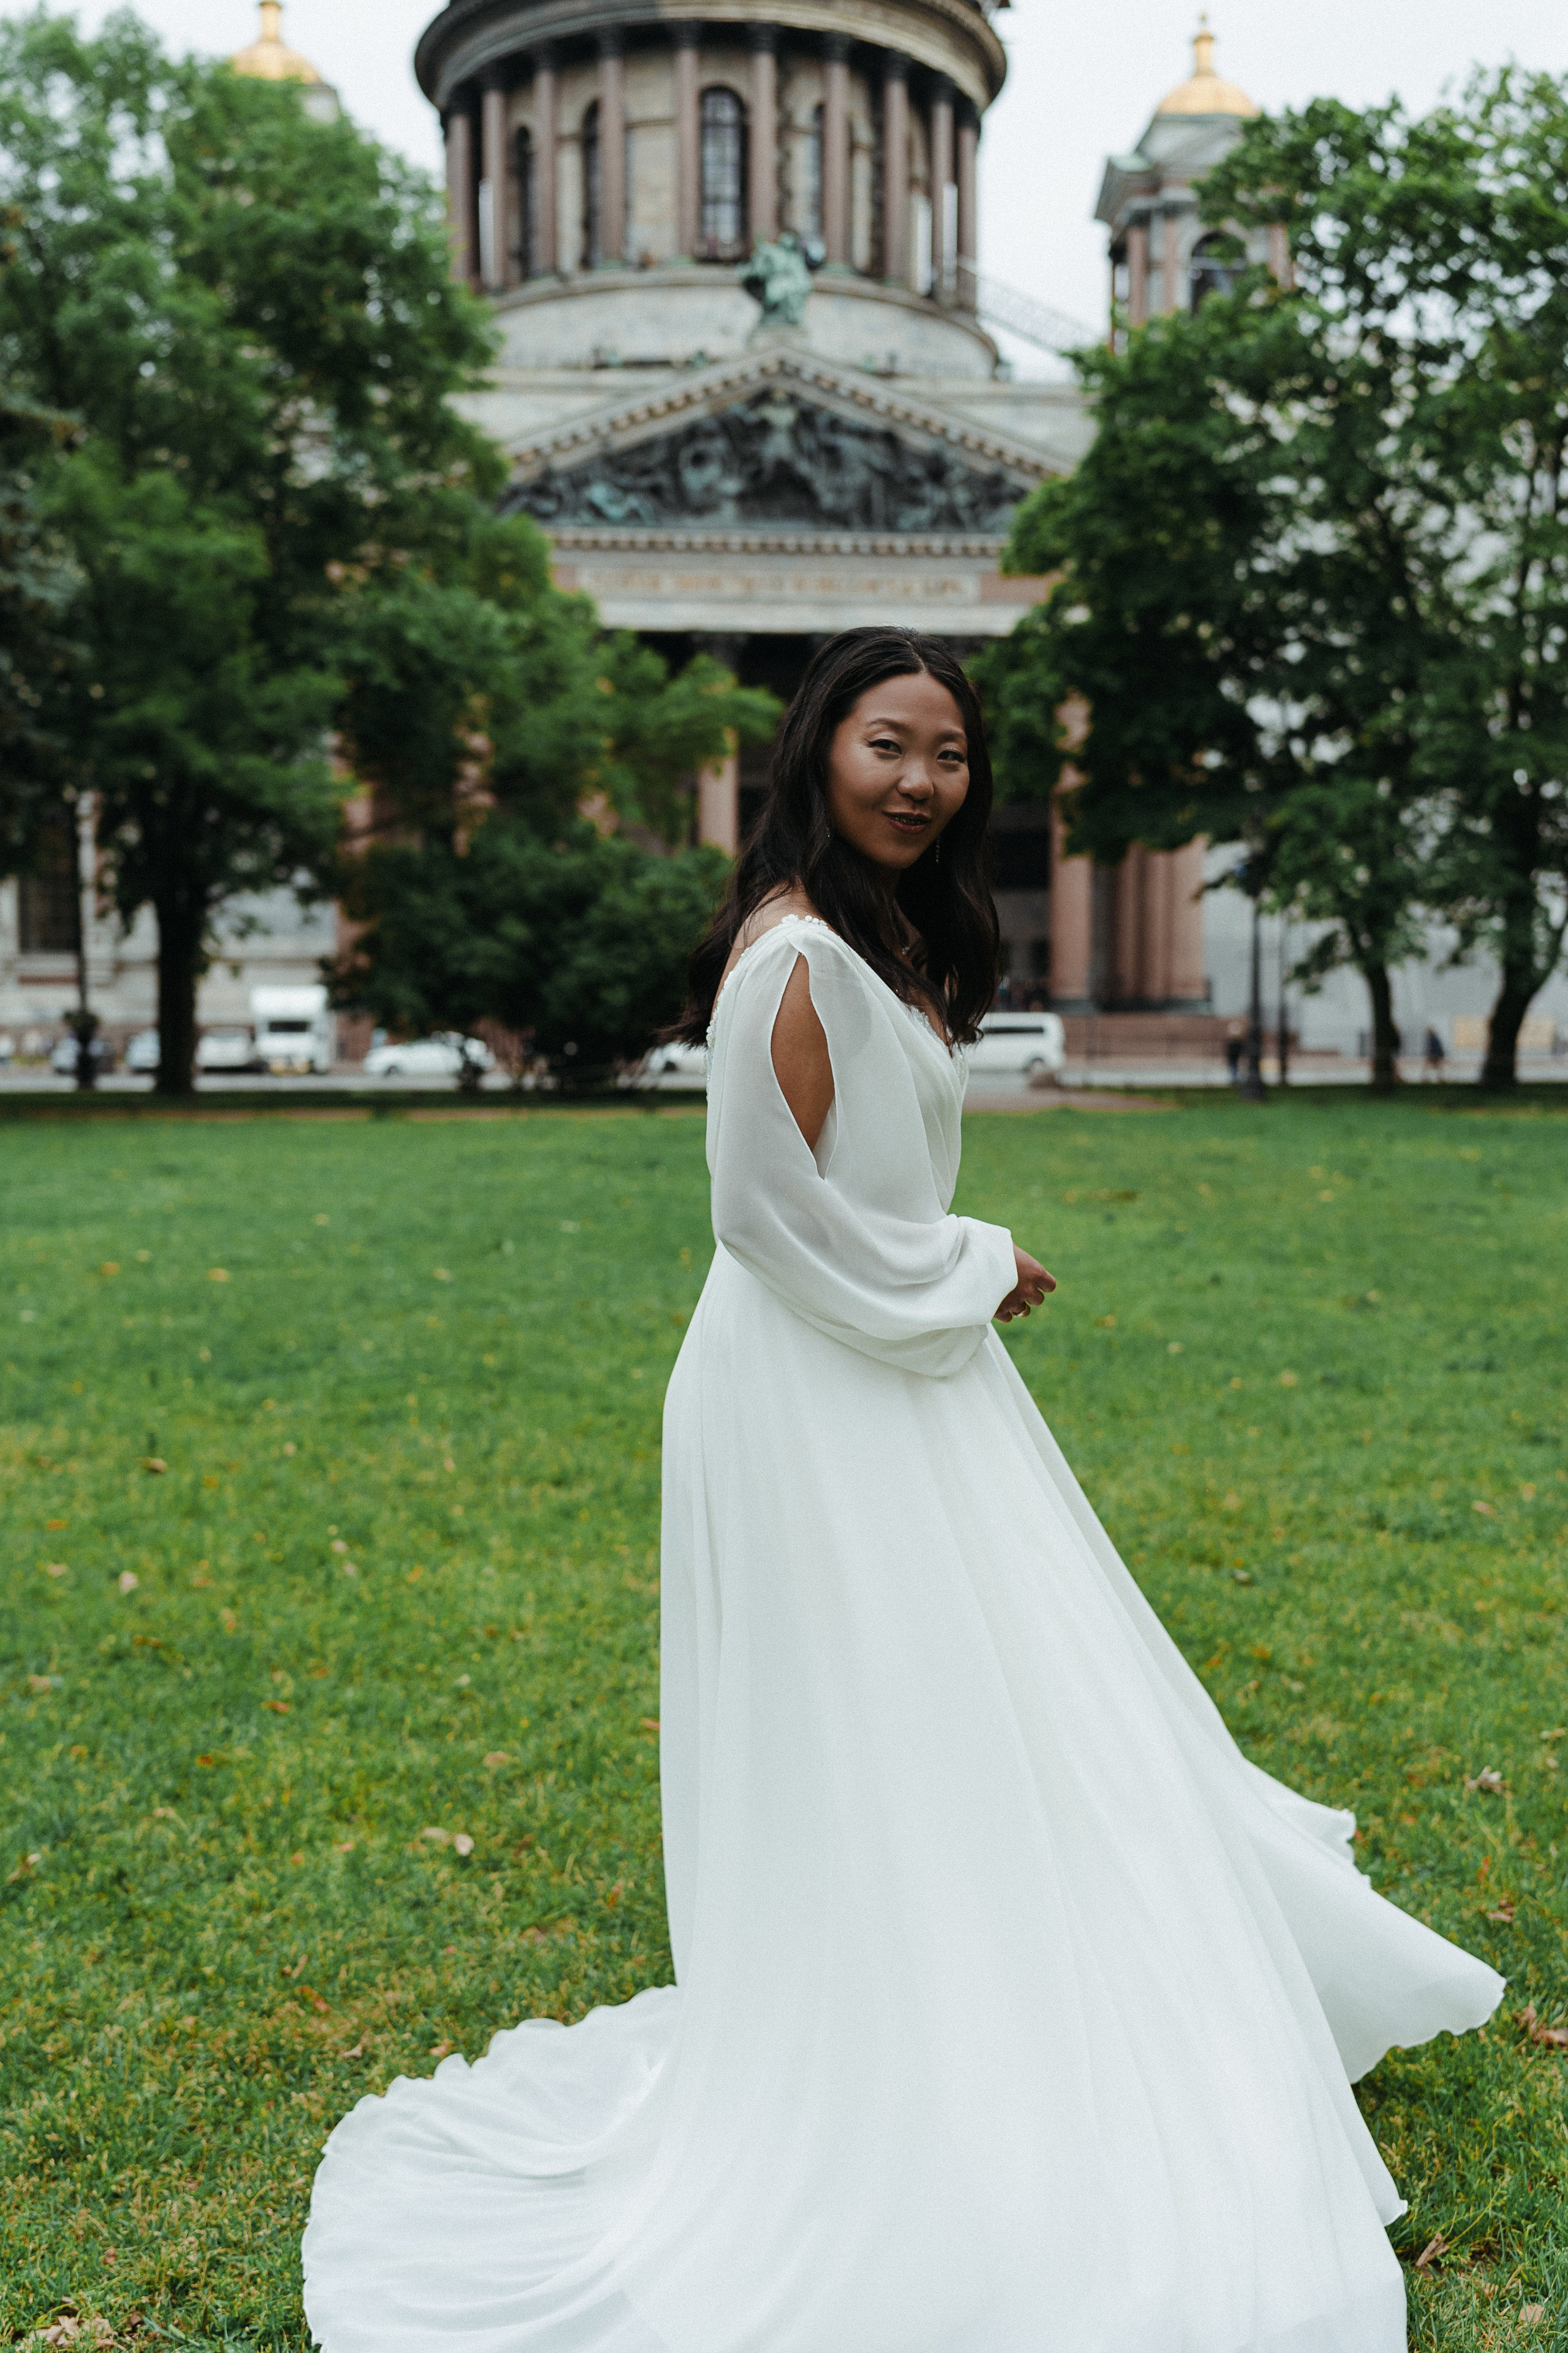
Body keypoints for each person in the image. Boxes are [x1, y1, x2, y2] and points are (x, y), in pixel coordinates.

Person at [303, 629, 1502, 2353]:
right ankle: (911, 2048)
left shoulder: (865, 940)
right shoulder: (789, 956)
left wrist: (943, 1277)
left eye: (949, 752)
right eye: (889, 742)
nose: (923, 779)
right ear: (820, 746)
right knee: (884, 1708)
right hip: (812, 1382)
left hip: (889, 1366)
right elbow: (764, 1216)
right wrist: (970, 1258)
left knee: (989, 1696)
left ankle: (995, 2007)